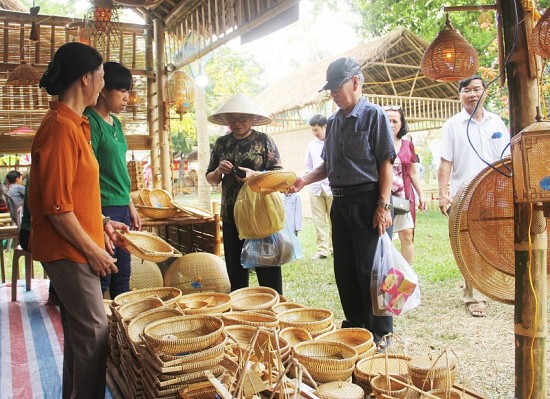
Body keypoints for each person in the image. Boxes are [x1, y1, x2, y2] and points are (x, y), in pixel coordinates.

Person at [28, 42, 129, 399]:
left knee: (80, 334)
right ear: (86, 78)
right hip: (68, 251)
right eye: (102, 76)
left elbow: (74, 195)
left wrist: (101, 220)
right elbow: (57, 208)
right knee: (95, 332)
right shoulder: (59, 128)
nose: (103, 84)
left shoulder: (75, 125)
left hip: (77, 245)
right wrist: (94, 251)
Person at [291, 58, 396, 345]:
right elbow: (328, 165)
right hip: (340, 203)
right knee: (346, 268)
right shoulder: (334, 122)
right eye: (330, 90)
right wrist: (303, 180)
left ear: (355, 82)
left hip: (368, 200)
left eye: (337, 87)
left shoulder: (374, 116)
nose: (334, 94)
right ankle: (355, 324)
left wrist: (383, 206)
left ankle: (381, 331)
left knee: (374, 269)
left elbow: (386, 163)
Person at [437, 75, 510, 318]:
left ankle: (491, 286)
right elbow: (445, 162)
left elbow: (508, 159)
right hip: (465, 194)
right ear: (460, 96)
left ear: (485, 92)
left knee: (494, 242)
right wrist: (443, 194)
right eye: (466, 90)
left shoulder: (497, 122)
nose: (472, 94)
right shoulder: (452, 125)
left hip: (496, 194)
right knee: (468, 244)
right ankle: (473, 296)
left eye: (477, 89)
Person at [206, 92, 284, 294]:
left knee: (267, 268)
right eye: (232, 119)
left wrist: (254, 175)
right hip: (231, 214)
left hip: (260, 214)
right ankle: (240, 312)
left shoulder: (264, 141)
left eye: (242, 119)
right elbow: (210, 178)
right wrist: (218, 171)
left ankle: (273, 306)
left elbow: (277, 174)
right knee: (236, 269)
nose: (237, 123)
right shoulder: (221, 144)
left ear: (253, 119)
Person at [84, 61, 141, 299]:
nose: (127, 97)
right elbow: (88, 172)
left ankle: (120, 332)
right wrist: (97, 215)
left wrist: (130, 204)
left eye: (129, 91)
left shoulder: (116, 123)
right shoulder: (90, 121)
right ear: (104, 89)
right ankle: (97, 331)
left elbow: (119, 169)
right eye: (122, 90)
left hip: (121, 207)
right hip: (101, 207)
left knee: (123, 275)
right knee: (104, 273)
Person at [384, 106, 427, 265]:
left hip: (402, 198)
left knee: (407, 234)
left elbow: (413, 172)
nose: (391, 124)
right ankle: (386, 273)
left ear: (401, 124)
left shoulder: (408, 144)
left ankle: (406, 275)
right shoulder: (375, 143)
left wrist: (421, 195)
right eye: (387, 120)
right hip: (384, 200)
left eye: (395, 121)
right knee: (384, 237)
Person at [306, 114, 333, 260]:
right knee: (318, 220)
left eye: (317, 130)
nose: (315, 133)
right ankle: (322, 250)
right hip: (315, 188)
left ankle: (335, 247)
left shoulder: (333, 142)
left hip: (332, 187)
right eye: (313, 130)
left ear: (325, 127)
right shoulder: (311, 145)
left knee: (334, 218)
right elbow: (308, 166)